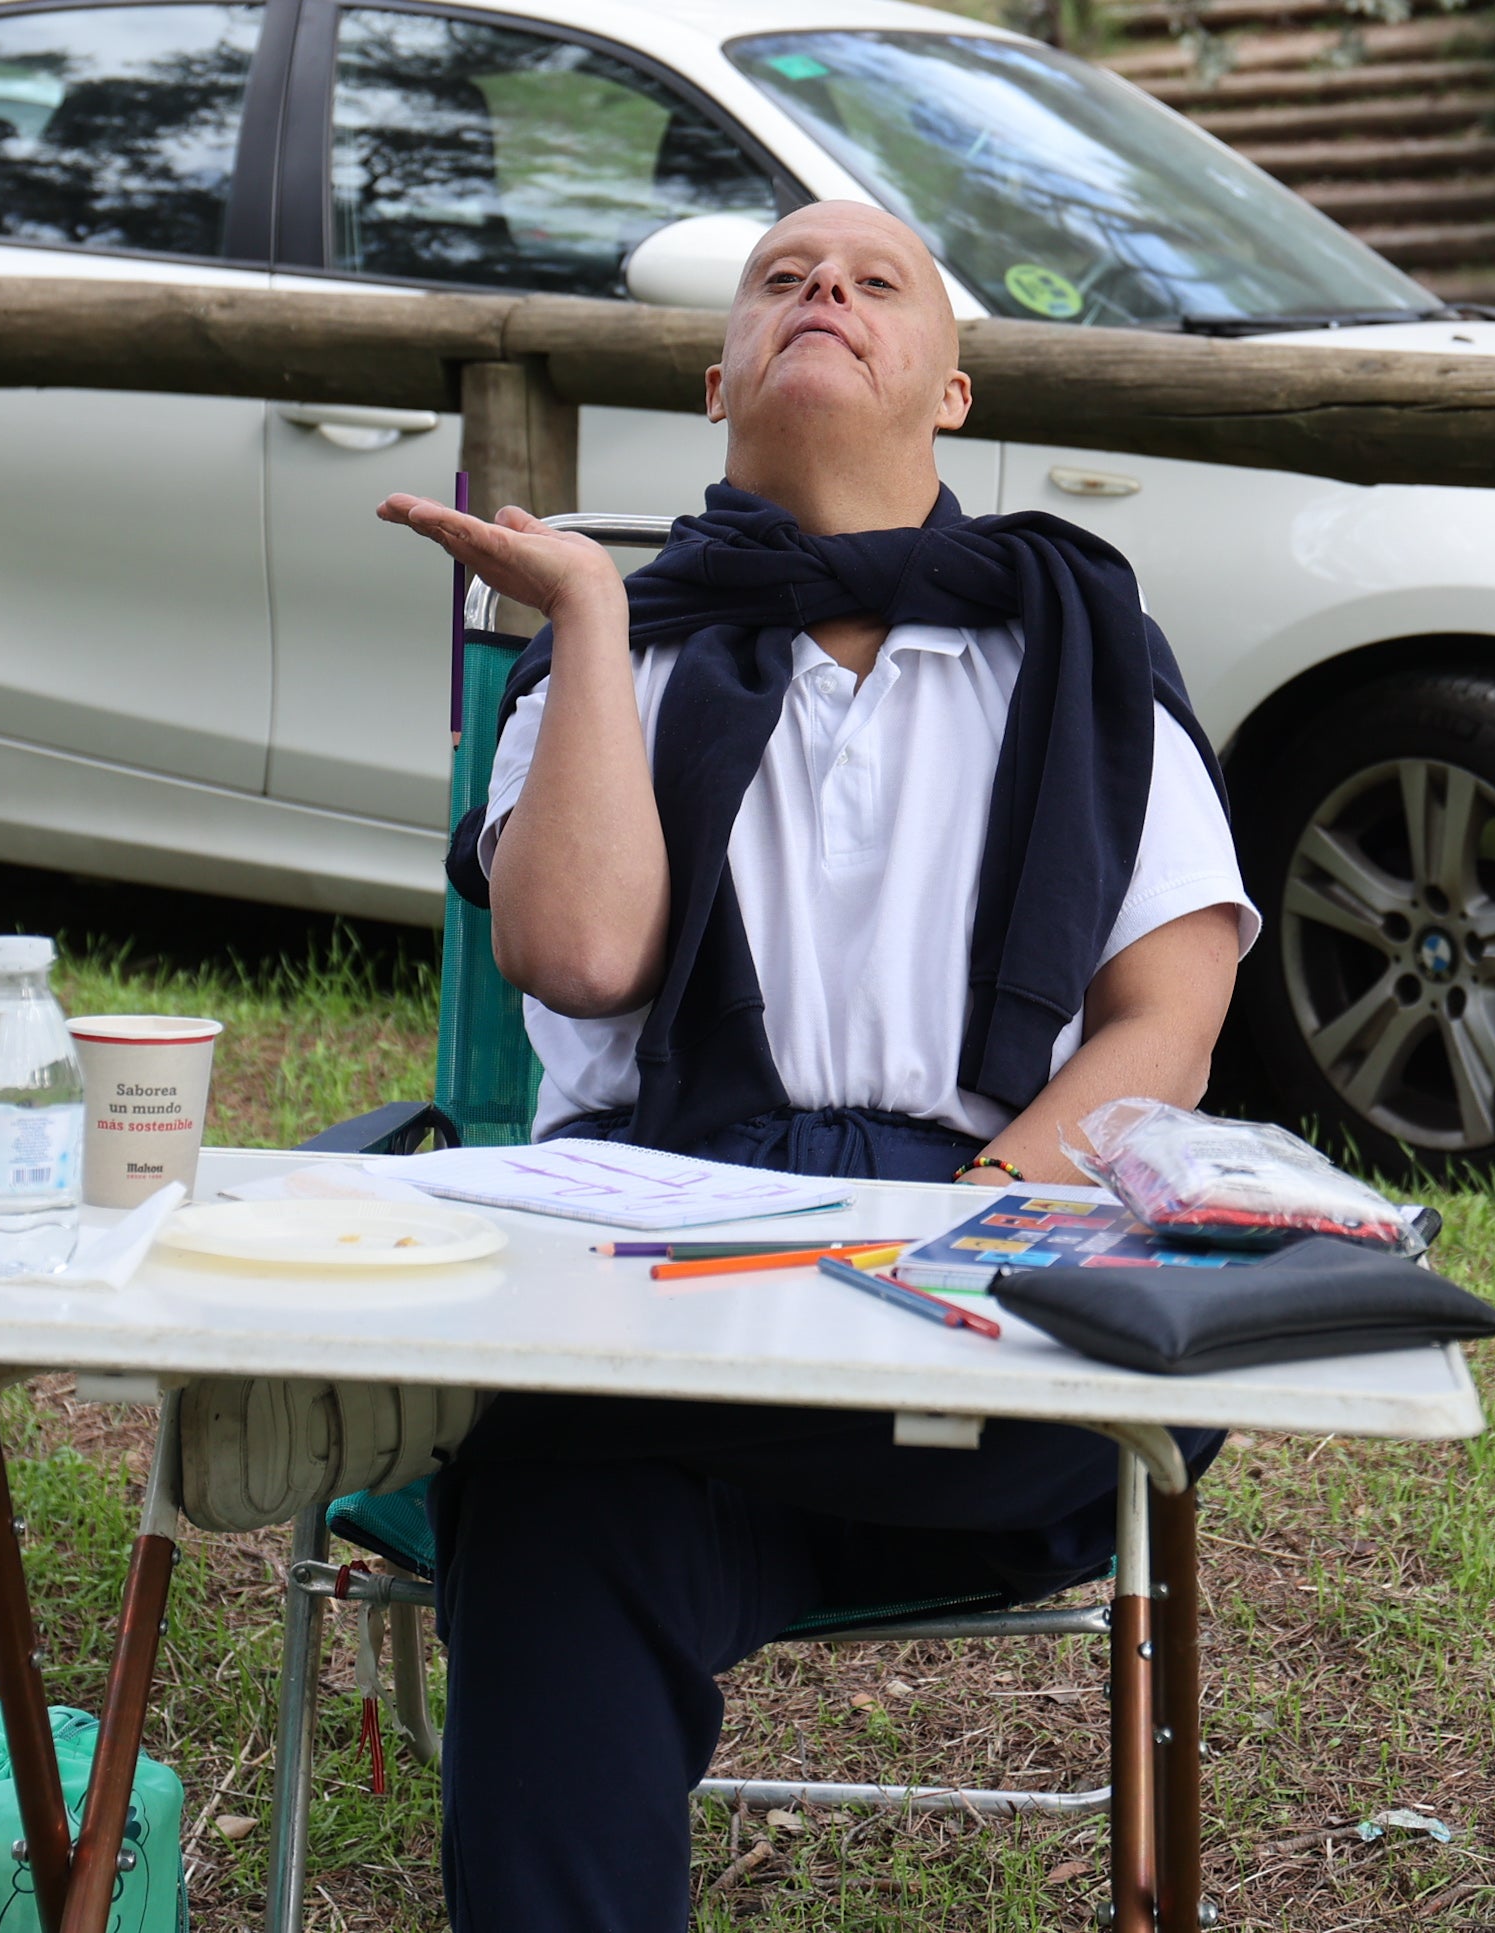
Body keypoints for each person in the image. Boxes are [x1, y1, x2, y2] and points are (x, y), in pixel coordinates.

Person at [375, 201, 1256, 1931]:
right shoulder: (619, 652)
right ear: (718, 383)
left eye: (873, 283)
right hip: (663, 1266)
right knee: (564, 1510)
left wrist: (967, 1233)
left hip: (972, 1319)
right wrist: (588, 626)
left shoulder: (1076, 656)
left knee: (553, 1466)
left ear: (952, 390)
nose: (822, 296)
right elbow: (577, 956)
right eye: (782, 280)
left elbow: (1168, 1017)